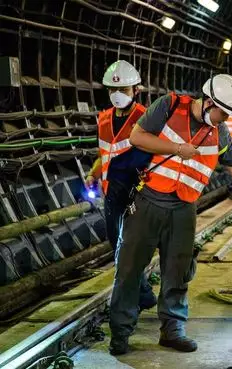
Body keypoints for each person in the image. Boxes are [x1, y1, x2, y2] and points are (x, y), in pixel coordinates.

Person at [108, 74, 232, 355]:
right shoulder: (169, 106)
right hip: (148, 201)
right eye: (222, 112)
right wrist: (177, 149)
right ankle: (120, 332)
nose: (225, 118)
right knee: (129, 269)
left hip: (184, 208)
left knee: (178, 270)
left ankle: (173, 329)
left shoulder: (220, 132)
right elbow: (137, 136)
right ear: (209, 101)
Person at [84, 60, 156, 312]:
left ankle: (138, 296)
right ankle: (143, 293)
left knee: (129, 245)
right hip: (111, 192)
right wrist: (93, 173)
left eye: (124, 90)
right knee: (118, 243)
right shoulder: (103, 119)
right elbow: (105, 153)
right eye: (113, 90)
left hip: (136, 192)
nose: (117, 95)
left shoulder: (146, 118)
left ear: (136, 90)